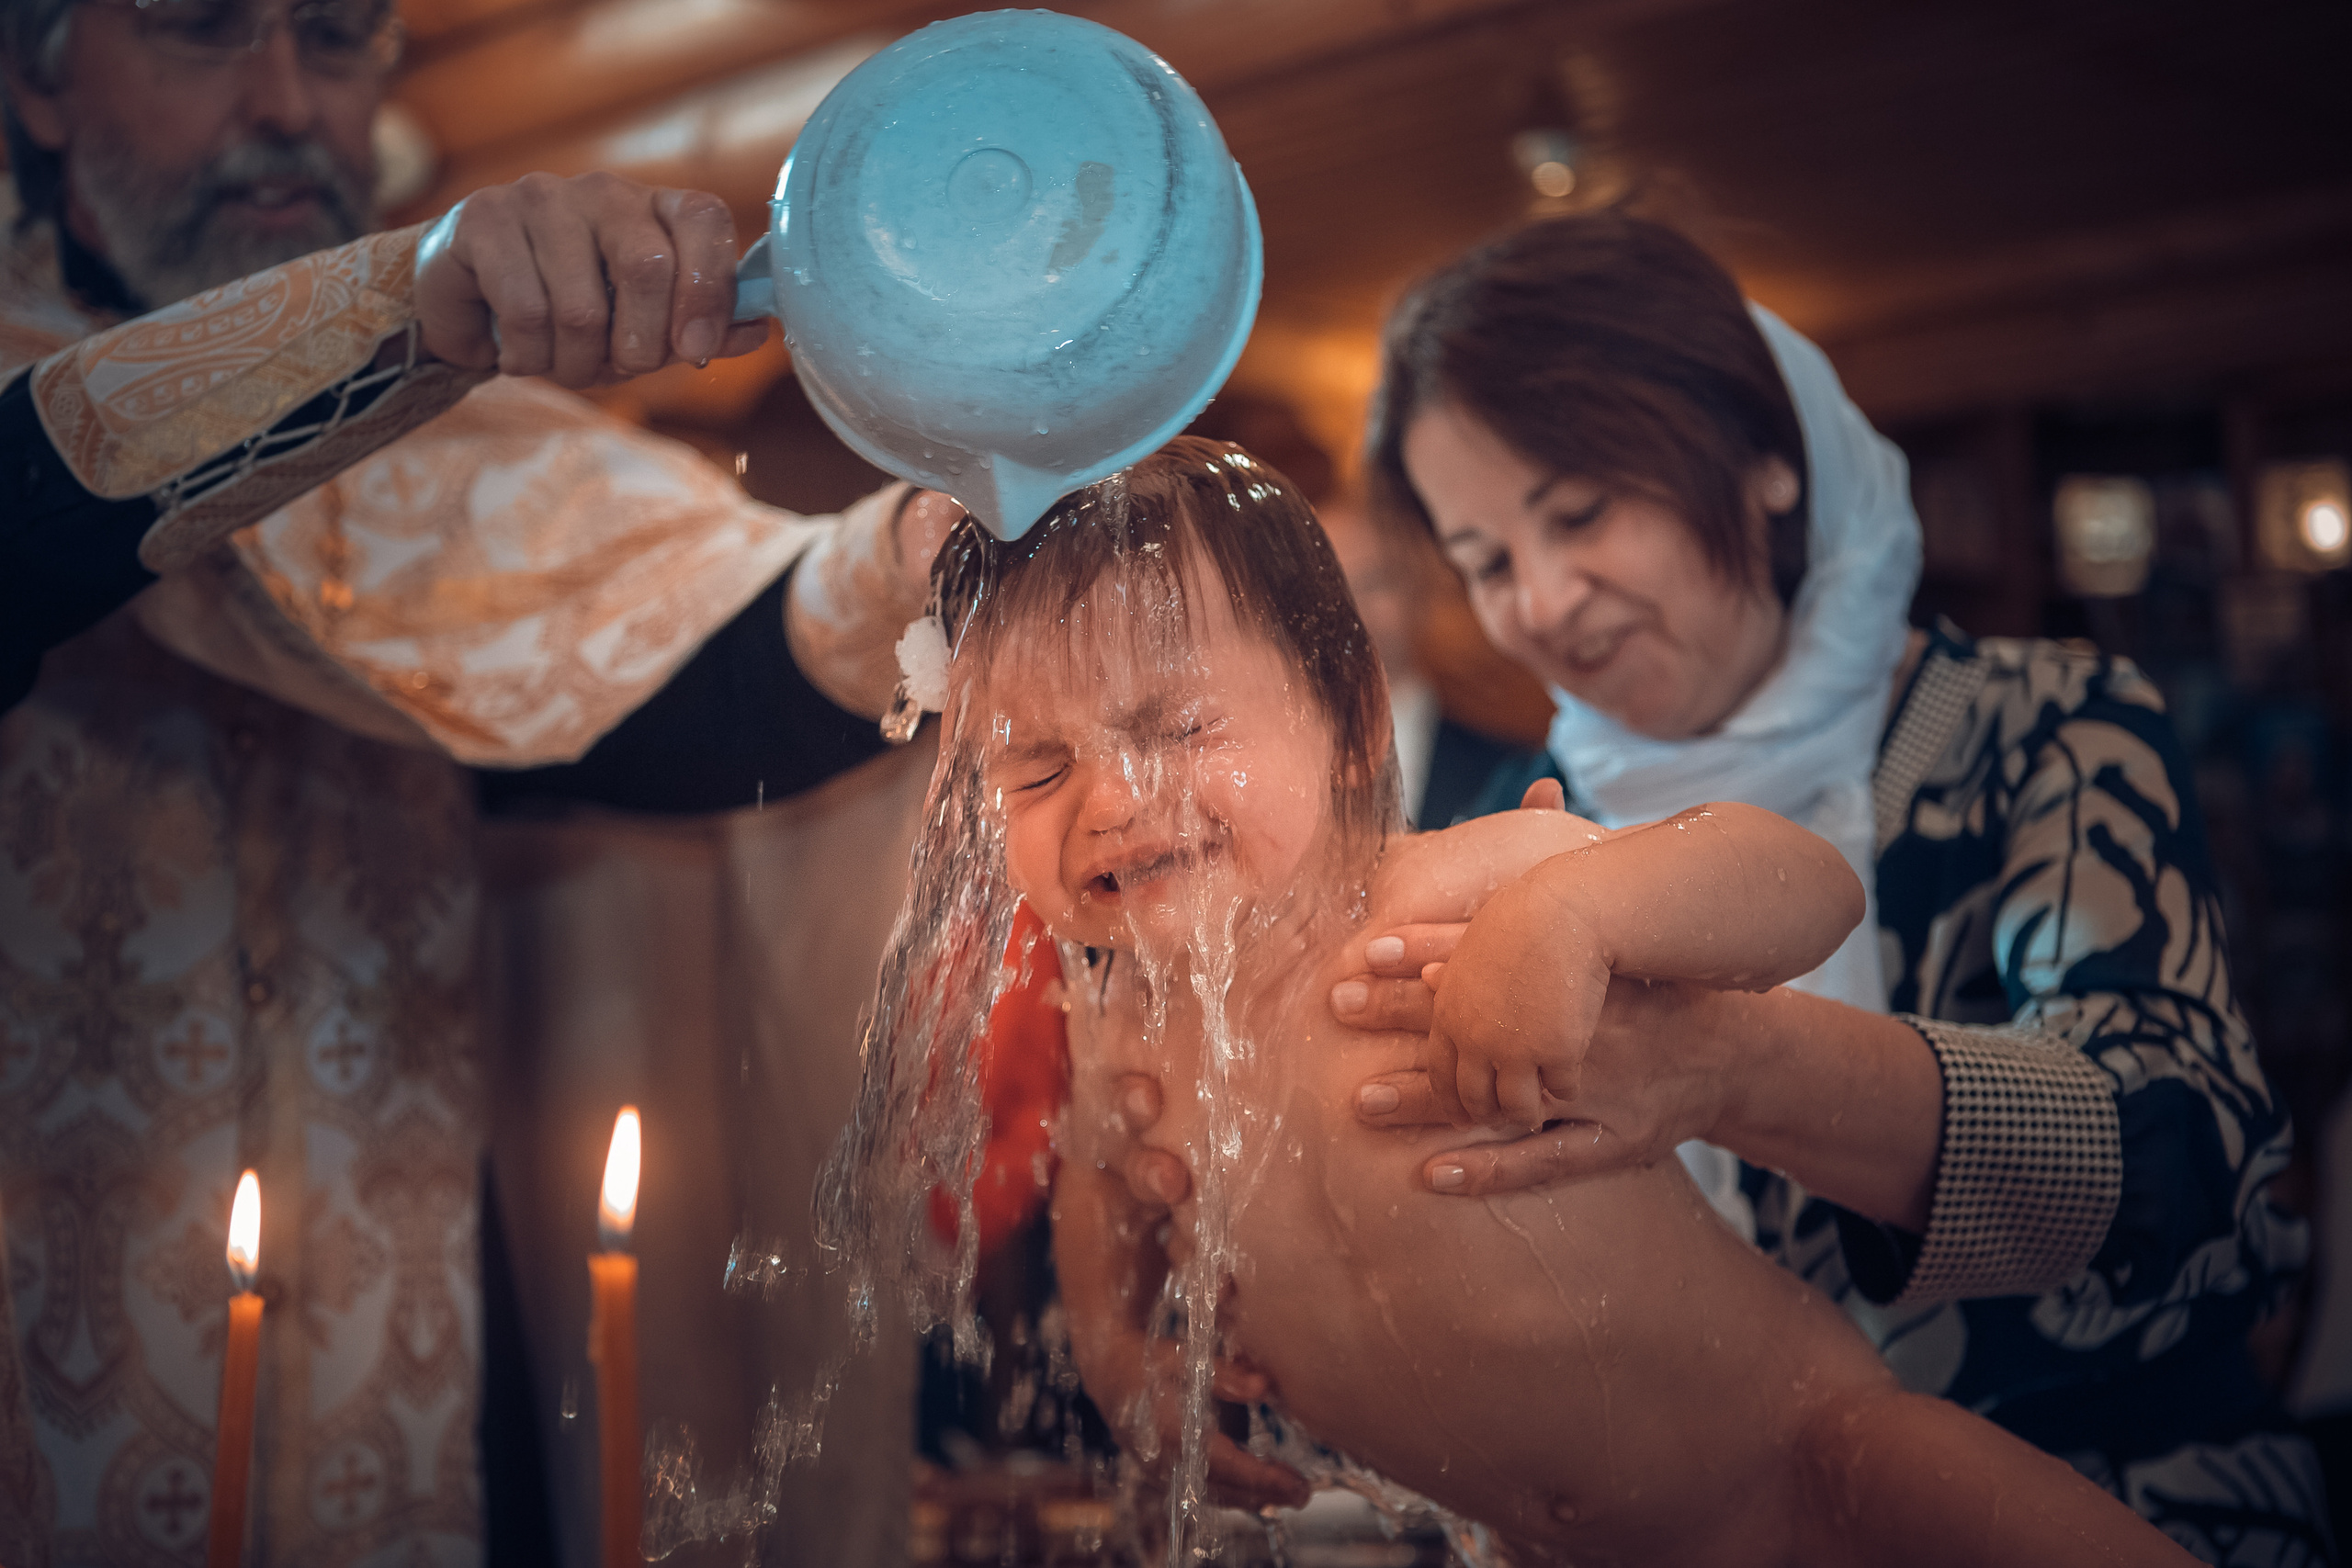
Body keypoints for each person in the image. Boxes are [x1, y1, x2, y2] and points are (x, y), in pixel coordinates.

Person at [0, 0, 946, 1560]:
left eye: (337, 37)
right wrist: (402, 311)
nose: (290, 103)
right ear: (37, 88)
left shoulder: (474, 445)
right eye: (205, 32)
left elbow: (688, 689)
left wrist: (920, 560)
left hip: (423, 1387)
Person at [920, 437, 2195, 1566]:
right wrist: (1122, 1351)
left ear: (1355, 724)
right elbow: (1096, 1189)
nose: (1111, 799)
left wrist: (1572, 915)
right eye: (1036, 767)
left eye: (1174, 728)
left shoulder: (1455, 888)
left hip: (1807, 1472)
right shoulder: (1121, 1022)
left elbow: (1803, 888)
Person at [1248, 211, 2314, 1562]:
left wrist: (1731, 1066)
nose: (1546, 598)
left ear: (1762, 459)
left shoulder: (2043, 727)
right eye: (1488, 559)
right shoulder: (1519, 829)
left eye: (1583, 513)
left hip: (2120, 1489)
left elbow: (2184, 1144)